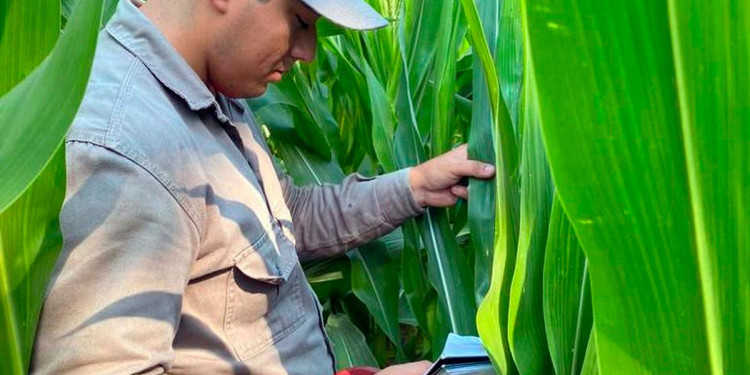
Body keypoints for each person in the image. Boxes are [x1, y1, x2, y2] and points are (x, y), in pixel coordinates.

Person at [30, 0, 496, 373]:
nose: (309, 51)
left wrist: (415, 186)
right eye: (299, 21)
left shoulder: (213, 90)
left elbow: (283, 219)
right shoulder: (128, 150)